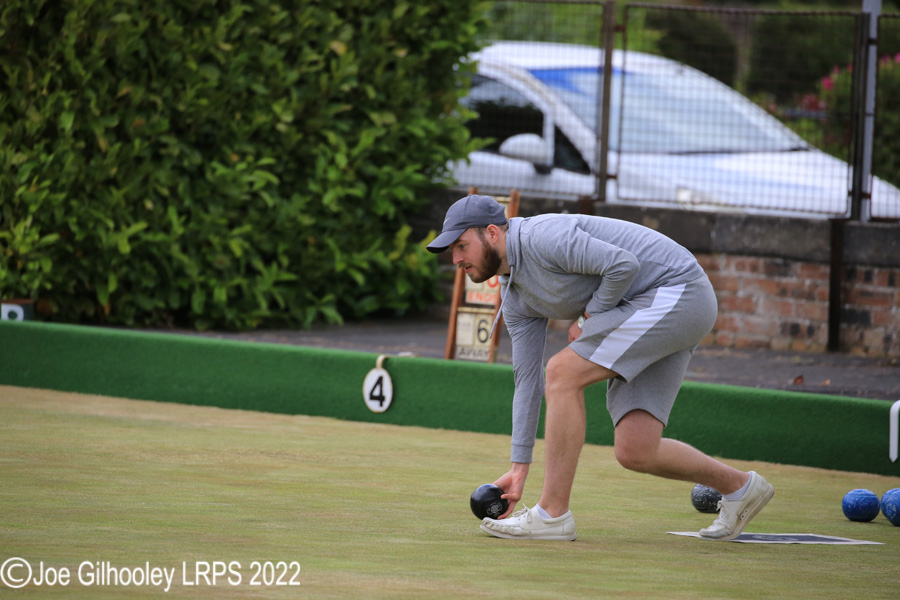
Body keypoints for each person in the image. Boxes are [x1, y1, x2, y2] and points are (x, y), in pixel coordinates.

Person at [427, 194, 774, 542]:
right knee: (636, 449)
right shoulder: (515, 296)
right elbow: (527, 382)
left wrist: (590, 315)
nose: (456, 259)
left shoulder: (543, 237)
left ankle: (552, 515)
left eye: (461, 246)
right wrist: (519, 468)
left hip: (678, 291)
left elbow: (622, 265)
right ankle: (740, 487)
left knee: (562, 372)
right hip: (651, 308)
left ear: (491, 233)